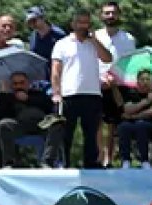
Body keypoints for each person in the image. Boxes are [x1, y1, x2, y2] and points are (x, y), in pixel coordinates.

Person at [50, 9, 111, 169]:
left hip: (92, 94)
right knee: (66, 133)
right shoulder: (62, 44)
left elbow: (107, 58)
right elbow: (56, 70)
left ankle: (91, 164)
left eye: (86, 22)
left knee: (91, 133)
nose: (84, 25)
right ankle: (64, 163)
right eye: (80, 22)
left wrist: (95, 40)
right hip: (69, 95)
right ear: (73, 24)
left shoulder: (94, 44)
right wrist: (56, 93)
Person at [94, 2, 134, 167]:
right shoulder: (95, 36)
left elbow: (130, 64)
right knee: (96, 124)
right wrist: (100, 78)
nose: (110, 16)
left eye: (113, 13)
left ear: (119, 15)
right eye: (107, 13)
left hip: (119, 85)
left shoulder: (128, 38)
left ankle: (109, 159)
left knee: (114, 125)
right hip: (97, 84)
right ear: (101, 16)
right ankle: (97, 158)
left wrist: (115, 79)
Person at [0, 71, 62, 168]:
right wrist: (4, 95)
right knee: (3, 124)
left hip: (41, 125)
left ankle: (48, 162)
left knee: (57, 121)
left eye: (22, 83)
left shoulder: (38, 94)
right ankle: (10, 163)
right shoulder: (8, 97)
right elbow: (1, 115)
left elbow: (48, 105)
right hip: (20, 126)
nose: (19, 86)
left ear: (28, 83)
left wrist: (28, 99)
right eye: (15, 84)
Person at [116, 69, 152, 168]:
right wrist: (147, 101)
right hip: (130, 124)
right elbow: (127, 109)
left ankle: (145, 161)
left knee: (141, 125)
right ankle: (125, 160)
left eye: (148, 79)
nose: (145, 82)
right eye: (142, 79)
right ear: (137, 81)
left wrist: (133, 116)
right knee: (123, 126)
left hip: (150, 124)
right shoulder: (131, 93)